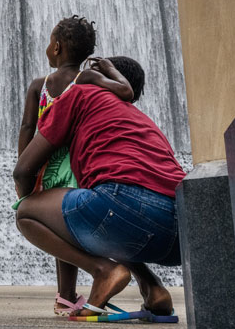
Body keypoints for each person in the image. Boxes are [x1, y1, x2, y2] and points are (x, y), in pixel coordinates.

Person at [13, 56, 184, 319]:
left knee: (28, 213)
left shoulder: (80, 95)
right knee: (104, 216)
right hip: (181, 233)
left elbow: (22, 170)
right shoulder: (139, 120)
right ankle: (152, 288)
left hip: (124, 208)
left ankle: (103, 271)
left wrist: (30, 202)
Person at [17, 16, 134, 315]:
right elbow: (126, 92)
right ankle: (68, 293)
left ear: (55, 47)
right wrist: (111, 70)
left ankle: (66, 294)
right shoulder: (86, 79)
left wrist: (24, 171)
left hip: (44, 164)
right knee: (67, 222)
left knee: (57, 224)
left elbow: (27, 128)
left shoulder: (37, 86)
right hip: (77, 162)